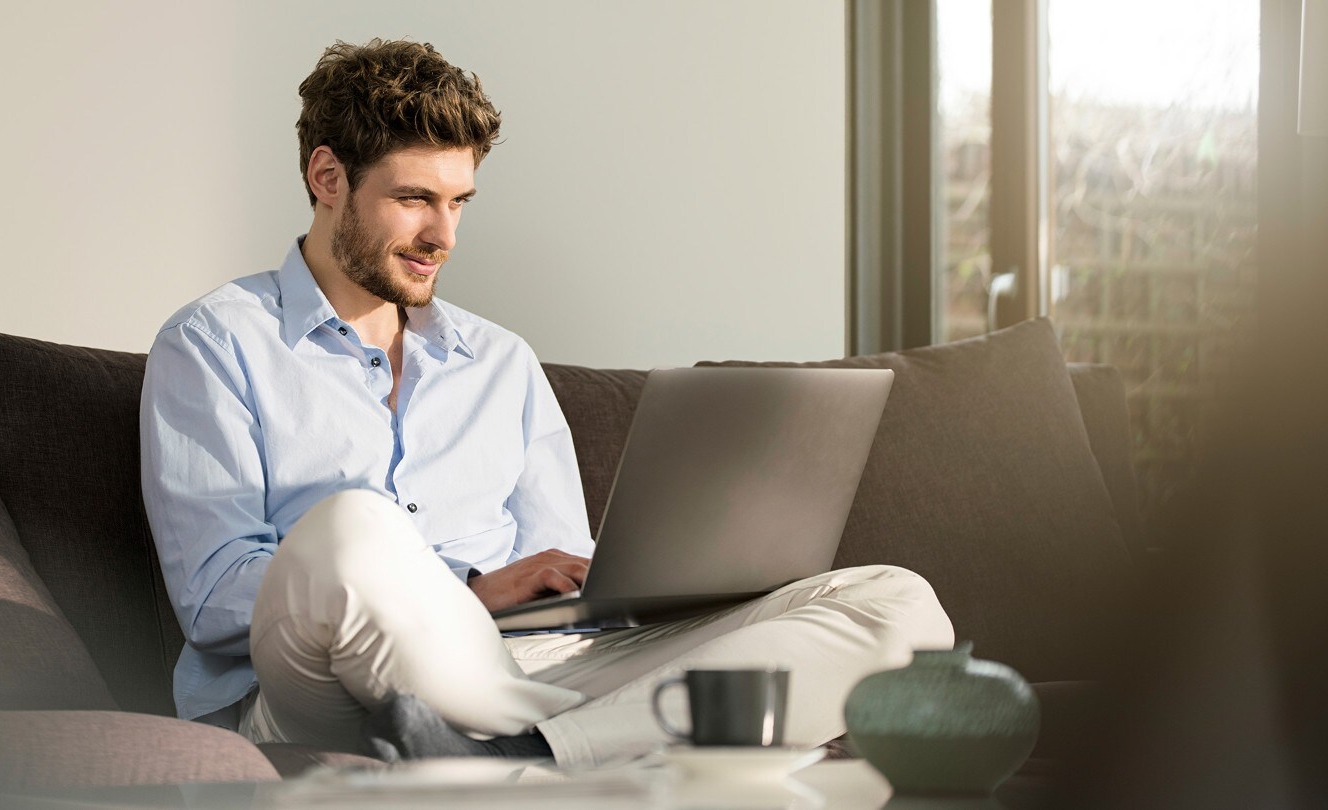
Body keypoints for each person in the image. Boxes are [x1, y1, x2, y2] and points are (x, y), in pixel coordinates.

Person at [140, 37, 953, 768]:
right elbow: (215, 599)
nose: (444, 236)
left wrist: (667, 590)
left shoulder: (500, 362)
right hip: (318, 688)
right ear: (328, 178)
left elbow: (565, 579)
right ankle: (582, 750)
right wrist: (463, 593)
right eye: (416, 198)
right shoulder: (216, 343)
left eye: (459, 202)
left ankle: (533, 755)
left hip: (521, 677)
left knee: (897, 602)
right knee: (356, 525)